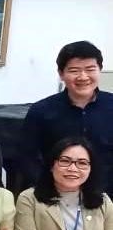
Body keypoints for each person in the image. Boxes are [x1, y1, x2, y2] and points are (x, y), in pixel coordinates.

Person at [22, 41, 113, 196]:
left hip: (107, 199)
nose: (83, 77)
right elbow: (28, 158)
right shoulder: (41, 111)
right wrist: (47, 192)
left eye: (90, 69)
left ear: (100, 70)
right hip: (55, 198)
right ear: (61, 73)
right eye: (74, 70)